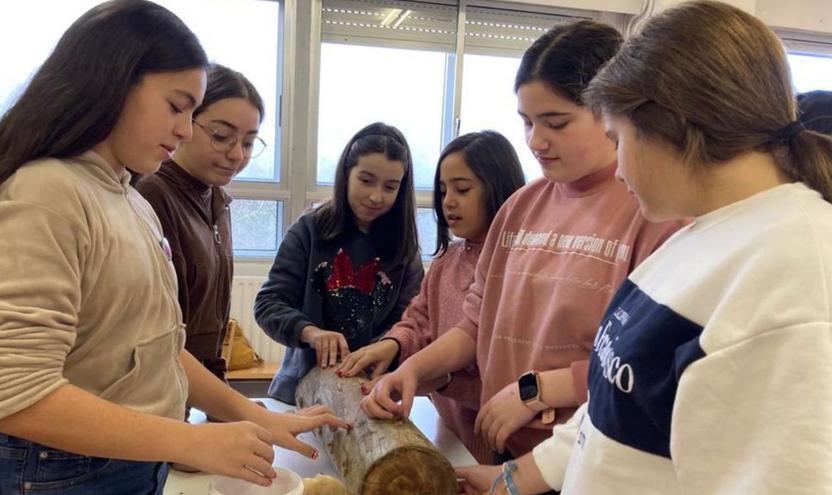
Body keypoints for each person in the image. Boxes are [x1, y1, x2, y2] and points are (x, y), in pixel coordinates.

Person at [0, 2, 345, 493]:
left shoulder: (129, 199)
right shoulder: (40, 194)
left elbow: (161, 348)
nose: (184, 128)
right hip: (58, 472)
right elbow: (14, 396)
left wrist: (250, 414)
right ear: (111, 81)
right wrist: (188, 441)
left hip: (130, 461)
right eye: (177, 106)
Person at [457, 2, 832, 494]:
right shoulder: (704, 238)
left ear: (669, 127)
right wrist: (512, 480)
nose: (617, 169)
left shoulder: (794, 279)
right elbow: (616, 401)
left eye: (618, 137)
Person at [361, 20, 684, 464]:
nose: (536, 141)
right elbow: (477, 325)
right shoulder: (520, 208)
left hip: (592, 460)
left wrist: (535, 391)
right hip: (504, 447)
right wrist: (413, 369)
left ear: (613, 110)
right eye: (527, 122)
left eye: (556, 123)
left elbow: (653, 366)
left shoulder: (653, 211)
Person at [338, 130, 526, 463]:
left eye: (462, 189)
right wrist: (393, 344)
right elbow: (419, 319)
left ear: (499, 188)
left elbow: (505, 374)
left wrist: (444, 379)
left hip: (498, 443)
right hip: (449, 429)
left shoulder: (518, 266)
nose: (448, 201)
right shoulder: (447, 261)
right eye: (442, 190)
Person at [254, 122, 424, 404]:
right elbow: (268, 304)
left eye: (390, 187)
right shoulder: (309, 230)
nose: (375, 196)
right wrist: (312, 333)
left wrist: (386, 346)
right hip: (298, 391)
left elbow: (409, 322)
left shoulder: (404, 246)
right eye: (366, 180)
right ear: (346, 174)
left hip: (368, 393)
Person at [136, 64, 265, 383]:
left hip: (193, 387)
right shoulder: (153, 194)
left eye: (248, 143)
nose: (237, 155)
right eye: (221, 137)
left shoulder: (218, 200)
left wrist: (223, 405)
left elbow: (213, 325)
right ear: (184, 125)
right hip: (157, 389)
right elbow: (156, 337)